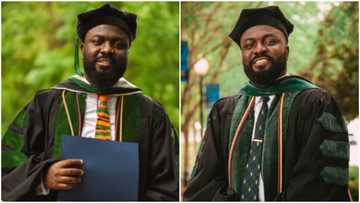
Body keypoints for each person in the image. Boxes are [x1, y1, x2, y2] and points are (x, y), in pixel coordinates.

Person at [2, 4, 178, 201]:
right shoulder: (47, 103)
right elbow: (7, 160)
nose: (107, 49)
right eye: (98, 41)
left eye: (119, 45)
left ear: (128, 52)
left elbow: (167, 182)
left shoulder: (150, 113)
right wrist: (43, 176)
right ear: (83, 47)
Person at [183, 6, 350, 201]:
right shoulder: (224, 111)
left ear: (286, 50)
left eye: (270, 41)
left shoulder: (315, 104)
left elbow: (319, 182)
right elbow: (204, 183)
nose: (259, 49)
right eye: (249, 45)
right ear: (243, 55)